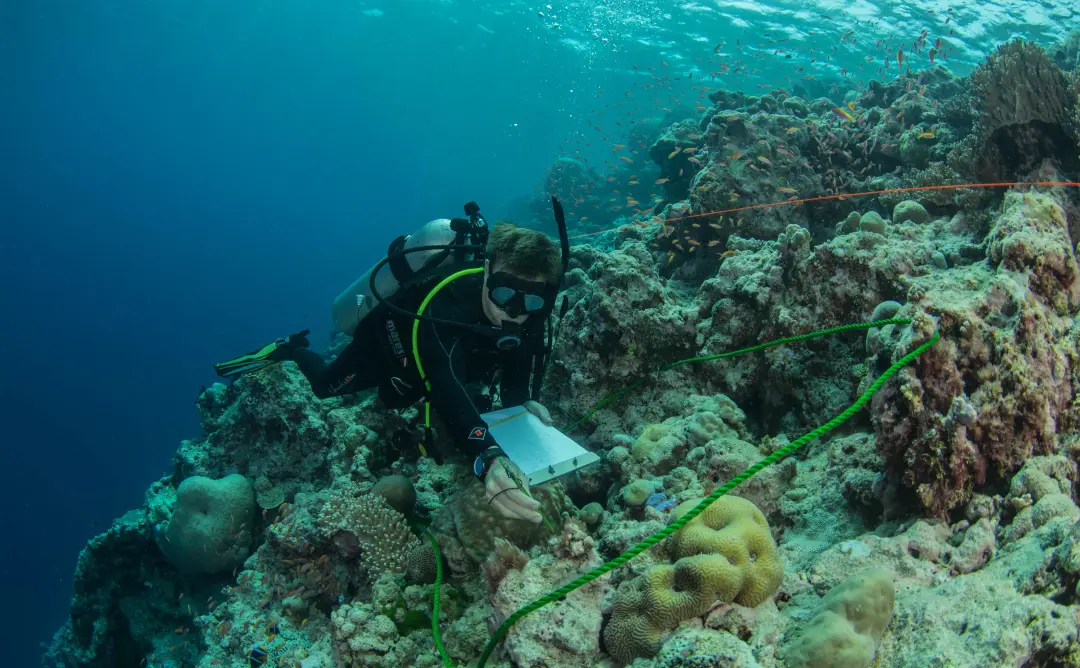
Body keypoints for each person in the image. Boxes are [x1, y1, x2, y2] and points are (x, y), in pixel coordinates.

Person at [214, 215, 566, 525]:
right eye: (505, 294)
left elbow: (520, 361)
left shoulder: (531, 314)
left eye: (531, 299)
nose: (514, 312)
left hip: (440, 367)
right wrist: (488, 458)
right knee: (326, 386)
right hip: (386, 347)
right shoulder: (444, 306)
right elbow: (446, 386)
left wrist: (523, 405)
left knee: (410, 397)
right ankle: (293, 349)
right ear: (488, 271)